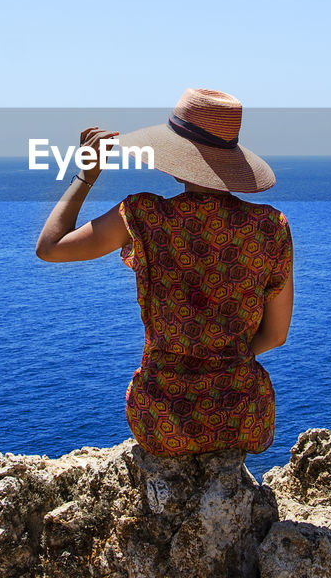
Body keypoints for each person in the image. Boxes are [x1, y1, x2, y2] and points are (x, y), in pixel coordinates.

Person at [35, 88, 294, 456]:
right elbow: (277, 336)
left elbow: (50, 248)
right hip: (243, 417)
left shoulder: (143, 216)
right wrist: (222, 359)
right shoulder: (271, 227)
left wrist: (87, 174)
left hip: (163, 419)